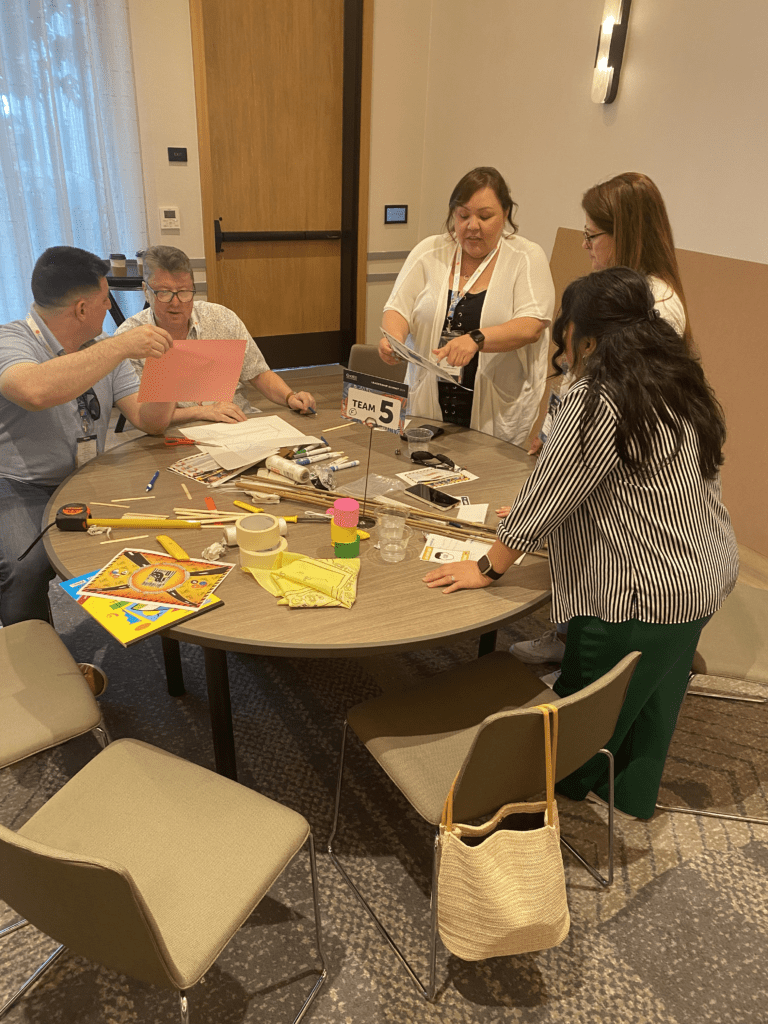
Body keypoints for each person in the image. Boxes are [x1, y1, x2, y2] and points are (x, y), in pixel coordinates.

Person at [424, 267, 738, 819]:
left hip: (640, 591)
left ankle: (551, 794)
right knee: (652, 698)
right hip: (706, 572)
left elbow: (549, 490)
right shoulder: (675, 378)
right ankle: (631, 793)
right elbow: (641, 480)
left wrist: (490, 567)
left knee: (582, 712)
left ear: (587, 336)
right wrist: (549, 512)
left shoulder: (595, 396)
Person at [517, 171, 692, 665]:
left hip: (631, 483)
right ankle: (570, 634)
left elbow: (603, 399)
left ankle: (584, 652)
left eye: (593, 236)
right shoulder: (624, 291)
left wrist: (493, 562)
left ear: (625, 234)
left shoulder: (653, 306)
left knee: (604, 554)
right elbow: (581, 379)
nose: (587, 245)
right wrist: (552, 432)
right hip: (601, 441)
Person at [0, 246, 176, 631]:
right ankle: (33, 653)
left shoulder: (102, 353)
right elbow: (33, 391)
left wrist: (169, 372)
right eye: (103, 301)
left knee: (160, 525)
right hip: (19, 484)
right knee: (24, 565)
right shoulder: (10, 340)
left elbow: (150, 421)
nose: (106, 308)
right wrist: (121, 345)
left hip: (84, 478)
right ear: (82, 309)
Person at [378, 167, 554, 444]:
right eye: (463, 216)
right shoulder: (429, 251)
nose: (472, 226)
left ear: (506, 213)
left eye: (485, 216)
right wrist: (394, 340)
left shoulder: (526, 257)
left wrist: (476, 340)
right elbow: (398, 308)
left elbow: (531, 326)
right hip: (429, 404)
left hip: (495, 411)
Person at [116, 245, 315, 423]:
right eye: (164, 292)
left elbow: (258, 373)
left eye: (184, 292)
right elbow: (143, 416)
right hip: (175, 435)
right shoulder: (130, 339)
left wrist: (290, 397)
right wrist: (203, 412)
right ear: (146, 291)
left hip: (237, 422)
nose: (175, 303)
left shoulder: (221, 318)